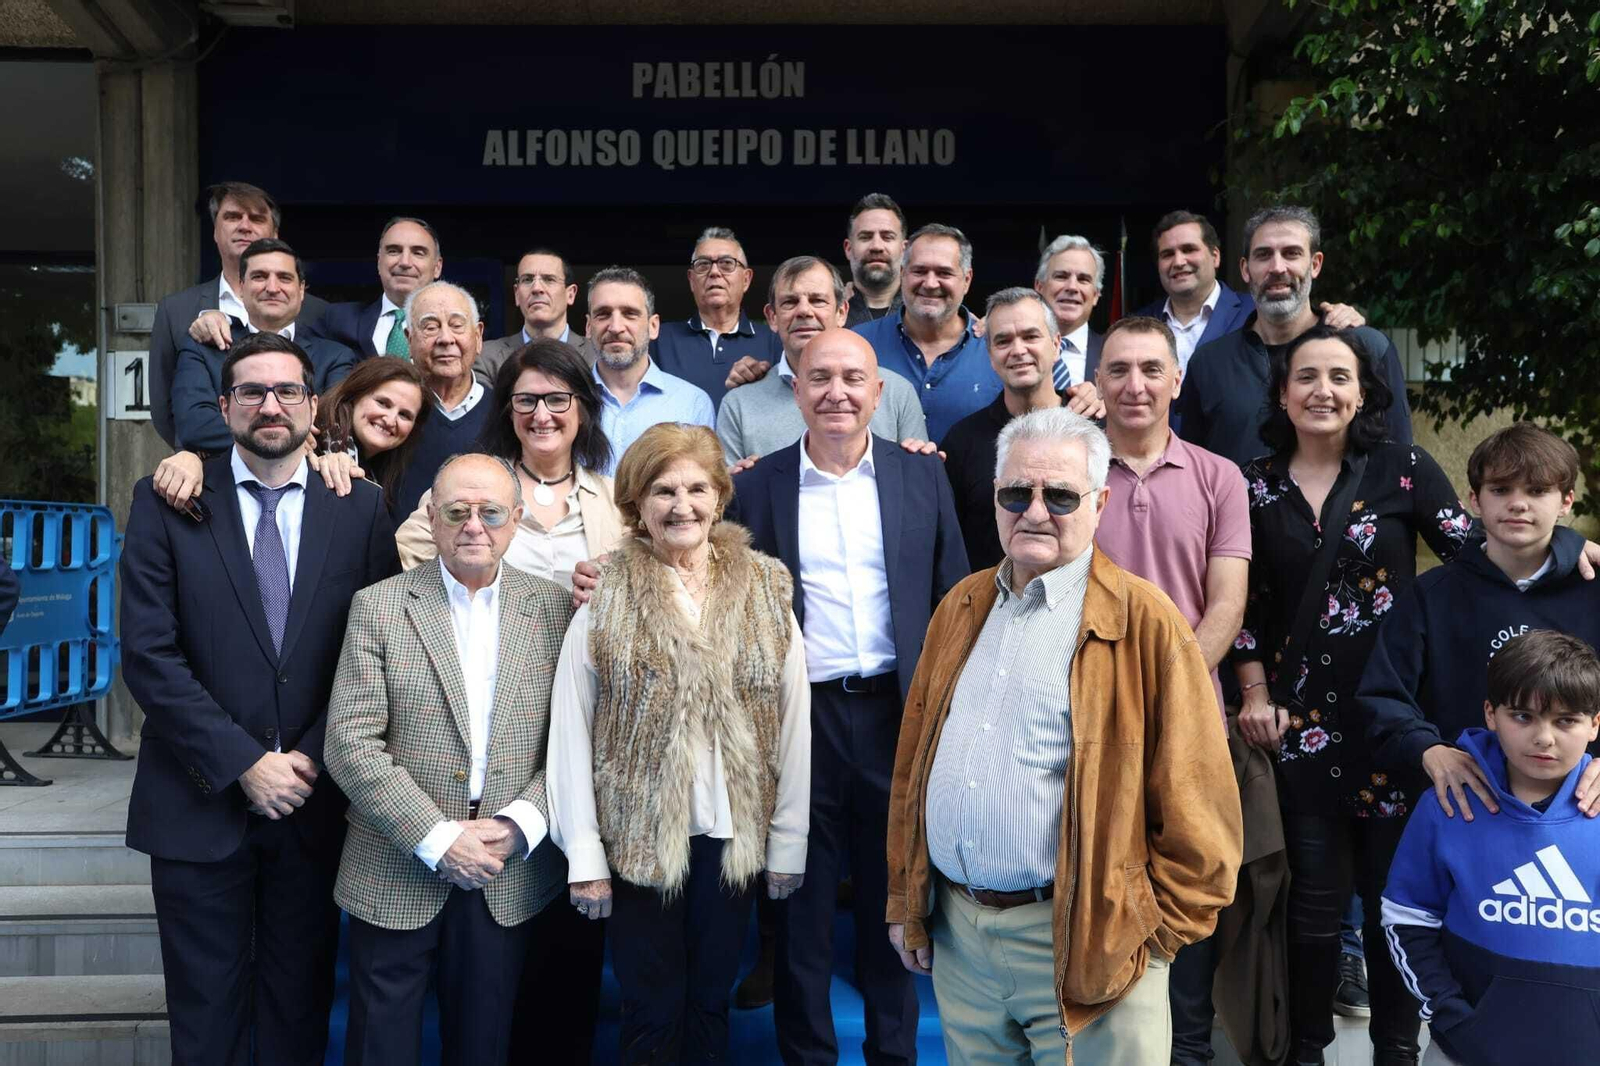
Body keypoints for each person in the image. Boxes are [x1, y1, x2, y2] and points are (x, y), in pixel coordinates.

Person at [885, 406, 1242, 1064]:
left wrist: (1142, 936)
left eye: (1060, 495)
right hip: (960, 941)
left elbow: (1204, 815)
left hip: (1090, 947)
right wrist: (909, 898)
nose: (1035, 511)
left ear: (1101, 502)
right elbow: (915, 765)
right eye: (1016, 493)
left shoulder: (1146, 623)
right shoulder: (961, 606)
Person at [119, 332, 398, 1065]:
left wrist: (305, 757)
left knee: (296, 1008)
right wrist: (245, 761)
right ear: (223, 406)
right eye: (251, 391)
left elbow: (373, 659)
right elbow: (148, 655)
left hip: (313, 805)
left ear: (313, 405)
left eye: (286, 392)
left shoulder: (360, 509)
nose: (270, 406)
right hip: (195, 800)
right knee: (205, 1016)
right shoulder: (166, 500)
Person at [1231, 325, 1475, 1066]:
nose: (1323, 390)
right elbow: (1243, 603)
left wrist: (1566, 548)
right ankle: (1306, 1051)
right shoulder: (1252, 481)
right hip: (1298, 729)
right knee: (1311, 910)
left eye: (1340, 376)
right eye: (1306, 376)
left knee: (1391, 912)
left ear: (1364, 392)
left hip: (1393, 725)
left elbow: (1478, 552)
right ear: (1282, 391)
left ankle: (1395, 1053)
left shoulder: (1402, 470)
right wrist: (1254, 692)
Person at [725, 327, 969, 1066]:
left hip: (899, 713)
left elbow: (954, 595)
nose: (836, 392)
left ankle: (893, 1055)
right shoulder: (755, 484)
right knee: (800, 907)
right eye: (819, 377)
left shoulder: (922, 476)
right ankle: (808, 1058)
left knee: (894, 902)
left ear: (878, 392)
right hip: (803, 721)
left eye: (852, 378)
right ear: (795, 389)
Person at [548, 422, 811, 1064]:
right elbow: (570, 732)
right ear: (637, 505)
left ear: (720, 498)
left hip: (733, 839)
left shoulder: (767, 586)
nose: (682, 505)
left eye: (697, 488)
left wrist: (788, 840)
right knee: (651, 1006)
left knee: (709, 1003)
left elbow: (794, 717)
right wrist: (584, 855)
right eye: (663, 490)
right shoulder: (604, 597)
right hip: (637, 838)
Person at [326, 453, 572, 1066]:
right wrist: (435, 836)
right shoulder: (378, 606)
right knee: (379, 1048)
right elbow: (349, 742)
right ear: (431, 519)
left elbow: (574, 742)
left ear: (515, 520)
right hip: (395, 859)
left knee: (483, 1047)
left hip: (504, 868)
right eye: (457, 511)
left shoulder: (555, 610)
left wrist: (520, 824)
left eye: (491, 512)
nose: (474, 526)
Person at [1084, 315, 1253, 1064]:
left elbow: (1227, 604)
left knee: (1185, 890)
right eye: (1118, 369)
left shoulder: (1220, 476)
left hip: (1191, 724)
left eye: (1152, 369)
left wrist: (1171, 693)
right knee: (1100, 889)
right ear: (1097, 382)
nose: (1135, 385)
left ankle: (1188, 1053)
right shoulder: (1073, 474)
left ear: (1176, 381)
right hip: (1088, 723)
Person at [1381, 630, 1600, 1066]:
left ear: (1595, 723)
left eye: (1566, 720)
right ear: (1490, 713)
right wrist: (1449, 1013)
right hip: (1462, 1051)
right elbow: (1407, 918)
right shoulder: (1446, 803)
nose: (1543, 738)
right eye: (1523, 716)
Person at [1358, 423, 1600, 809]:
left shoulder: (1592, 587)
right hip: (1465, 809)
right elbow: (1382, 697)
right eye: (1501, 489)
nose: (1518, 503)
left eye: (1537, 490)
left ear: (1567, 501)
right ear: (1474, 499)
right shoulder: (1432, 595)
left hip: (1580, 810)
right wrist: (1428, 748)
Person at [1176, 205, 1407, 466]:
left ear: (1315, 264)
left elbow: (1401, 465)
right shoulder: (1209, 363)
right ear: (1245, 269)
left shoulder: (1368, 349)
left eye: (1291, 253)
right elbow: (1192, 474)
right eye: (1263, 255)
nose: (1277, 267)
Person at [397, 337, 625, 590]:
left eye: (558, 399)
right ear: (509, 411)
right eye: (526, 400)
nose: (541, 416)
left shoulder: (615, 500)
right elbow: (405, 550)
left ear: (583, 410)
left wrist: (611, 590)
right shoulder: (470, 484)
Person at [148, 182, 327, 446]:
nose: (244, 226)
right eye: (232, 217)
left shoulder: (318, 312)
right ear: (215, 231)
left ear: (275, 233)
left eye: (256, 218)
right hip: (209, 470)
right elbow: (165, 411)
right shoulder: (177, 310)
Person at [941, 287, 1104, 569]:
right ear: (990, 356)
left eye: (1030, 336)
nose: (1018, 350)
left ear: (1056, 345)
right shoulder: (962, 441)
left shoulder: (1095, 426)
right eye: (1003, 341)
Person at [715, 255, 927, 465]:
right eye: (790, 302)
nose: (805, 311)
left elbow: (918, 482)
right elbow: (723, 496)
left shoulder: (897, 392)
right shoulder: (738, 406)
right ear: (772, 317)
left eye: (818, 300)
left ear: (842, 312)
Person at [170, 238, 357, 454]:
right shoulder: (203, 348)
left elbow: (332, 431)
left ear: (302, 289)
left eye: (284, 278)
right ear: (241, 287)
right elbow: (195, 428)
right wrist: (282, 436)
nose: (272, 288)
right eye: (259, 277)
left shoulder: (335, 357)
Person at [852, 222, 997, 443]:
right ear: (902, 274)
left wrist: (1070, 397)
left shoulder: (997, 349)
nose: (930, 283)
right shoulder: (859, 344)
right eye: (919, 271)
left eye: (944, 272)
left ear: (966, 280)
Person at [585, 266, 715, 474]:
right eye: (603, 314)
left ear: (653, 326)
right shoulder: (566, 400)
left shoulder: (693, 404)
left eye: (630, 314)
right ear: (588, 326)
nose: (616, 327)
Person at [392, 281, 495, 520]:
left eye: (457, 326)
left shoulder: (505, 412)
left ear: (478, 336)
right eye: (430, 327)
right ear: (409, 338)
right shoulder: (389, 411)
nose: (446, 339)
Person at [651, 227, 780, 409]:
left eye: (727, 263)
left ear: (746, 279)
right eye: (703, 264)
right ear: (691, 280)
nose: (714, 272)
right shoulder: (658, 339)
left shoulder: (775, 340)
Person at [312, 357, 430, 518]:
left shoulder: (390, 475)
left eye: (404, 415)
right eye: (383, 403)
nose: (390, 420)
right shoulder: (308, 443)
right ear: (355, 394)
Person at [313, 216, 444, 357]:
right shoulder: (337, 319)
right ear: (379, 262)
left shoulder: (458, 327)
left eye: (418, 253)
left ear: (437, 267)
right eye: (394, 251)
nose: (405, 262)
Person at [475, 248, 594, 386]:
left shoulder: (596, 354)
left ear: (570, 294)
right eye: (527, 280)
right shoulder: (486, 357)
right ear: (517, 294)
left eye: (549, 279)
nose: (537, 288)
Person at [1034, 234, 1105, 392]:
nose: (1072, 287)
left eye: (1083, 279)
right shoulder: (1012, 346)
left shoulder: (1113, 352)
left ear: (1096, 295)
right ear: (1039, 286)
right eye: (1061, 276)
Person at [843, 193, 907, 328]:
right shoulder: (829, 312)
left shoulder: (923, 310)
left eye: (887, 237)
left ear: (904, 249)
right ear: (848, 249)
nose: (876, 246)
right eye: (865, 237)